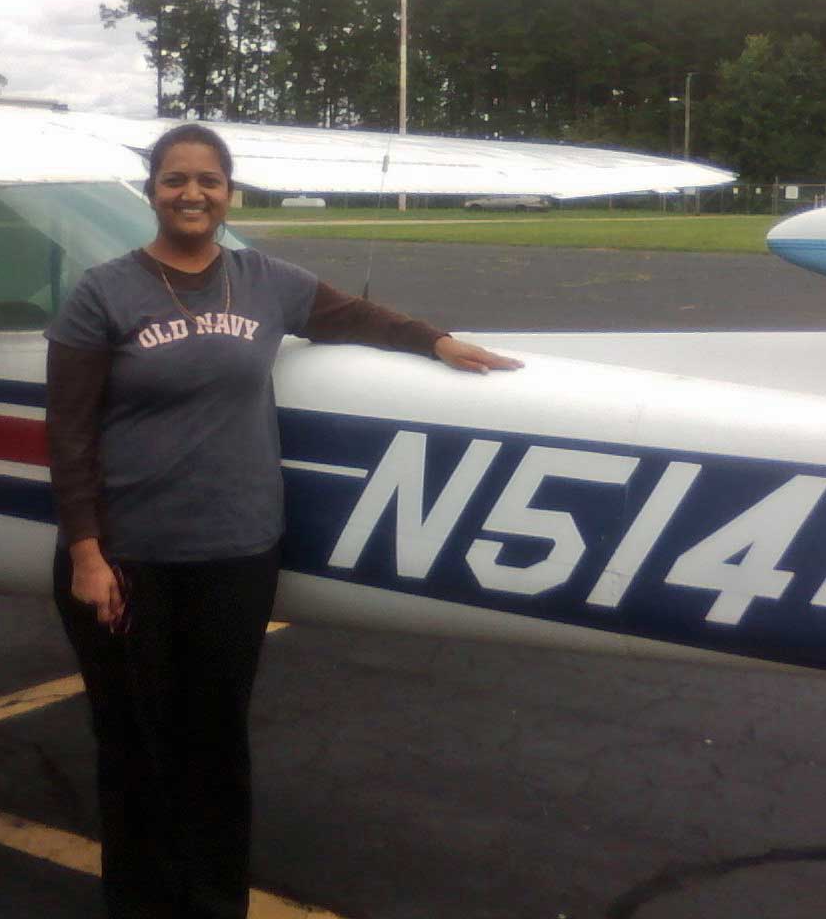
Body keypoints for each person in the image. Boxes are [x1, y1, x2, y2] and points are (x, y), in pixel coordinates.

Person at [46, 123, 521, 918]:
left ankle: (213, 902)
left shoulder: (266, 280)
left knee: (216, 743)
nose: (191, 194)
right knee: (132, 746)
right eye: (173, 180)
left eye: (208, 180)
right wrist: (86, 554)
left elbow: (354, 316)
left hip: (237, 552)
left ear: (230, 192)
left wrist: (434, 341)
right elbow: (69, 433)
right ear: (153, 191)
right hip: (128, 558)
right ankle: (139, 905)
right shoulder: (103, 291)